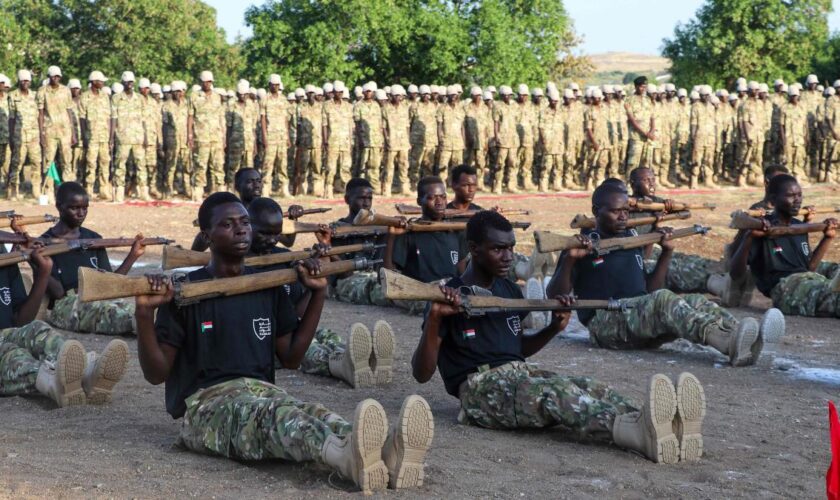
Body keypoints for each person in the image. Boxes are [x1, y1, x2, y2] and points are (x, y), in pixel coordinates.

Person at [135, 192, 433, 493]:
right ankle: (345, 458)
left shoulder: (267, 286)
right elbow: (156, 373)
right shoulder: (185, 294)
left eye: (244, 222)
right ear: (206, 236)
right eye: (227, 224)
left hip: (263, 392)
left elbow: (291, 356)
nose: (241, 230)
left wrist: (318, 293)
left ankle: (386, 454)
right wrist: (145, 313)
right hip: (207, 406)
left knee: (315, 413)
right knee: (279, 419)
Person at [413, 210, 707, 464]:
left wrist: (552, 328)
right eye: (498, 249)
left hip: (517, 374)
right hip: (478, 391)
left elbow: (515, 350)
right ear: (475, 249)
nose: (508, 256)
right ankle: (636, 434)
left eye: (511, 248)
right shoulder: (446, 295)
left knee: (586, 386)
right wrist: (435, 321)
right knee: (555, 394)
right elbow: (422, 373)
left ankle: (658, 423)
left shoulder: (508, 291)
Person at [547, 183, 783, 367]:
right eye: (615, 211)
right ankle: (727, 343)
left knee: (695, 301)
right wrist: (570, 260)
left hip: (637, 316)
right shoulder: (584, 243)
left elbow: (648, 290)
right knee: (664, 300)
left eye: (626, 211)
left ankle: (746, 339)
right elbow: (554, 296)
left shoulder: (632, 238)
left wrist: (666, 253)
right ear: (596, 212)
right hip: (607, 324)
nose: (623, 217)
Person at [247, 197, 395, 387]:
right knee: (311, 349)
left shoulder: (284, 257)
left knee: (328, 336)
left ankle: (368, 362)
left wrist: (316, 280)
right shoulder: (237, 265)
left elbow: (298, 312)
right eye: (264, 234)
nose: (271, 240)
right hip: (266, 338)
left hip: (288, 327)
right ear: (247, 227)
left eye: (276, 234)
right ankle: (342, 366)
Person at [0, 224, 128, 407]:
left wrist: (43, 273)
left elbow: (22, 321)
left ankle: (88, 372)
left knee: (38, 330)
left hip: (6, 333)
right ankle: (52, 382)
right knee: (12, 355)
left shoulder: (4, 255)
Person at [728, 174, 840, 317]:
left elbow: (809, 267)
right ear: (774, 200)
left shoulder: (800, 226)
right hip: (786, 288)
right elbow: (736, 274)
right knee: (832, 299)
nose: (797, 200)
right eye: (791, 196)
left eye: (799, 195)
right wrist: (748, 237)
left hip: (809, 278)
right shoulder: (761, 229)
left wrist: (827, 238)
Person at [42, 182, 146, 335]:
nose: (81, 213)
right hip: (67, 305)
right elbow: (58, 294)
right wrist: (36, 262)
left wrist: (133, 255)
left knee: (130, 308)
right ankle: (142, 327)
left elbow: (111, 284)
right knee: (111, 314)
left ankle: (145, 325)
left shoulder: (94, 239)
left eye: (85, 208)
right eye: (74, 208)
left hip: (99, 298)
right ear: (59, 206)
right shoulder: (45, 243)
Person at [627, 168, 719, 293]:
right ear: (633, 184)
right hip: (638, 257)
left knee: (686, 258)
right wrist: (654, 221)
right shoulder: (625, 209)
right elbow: (643, 254)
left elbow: (686, 213)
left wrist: (670, 206)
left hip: (650, 250)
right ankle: (714, 283)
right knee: (672, 267)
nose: (652, 183)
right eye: (646, 180)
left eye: (653, 179)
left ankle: (721, 271)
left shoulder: (656, 202)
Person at [318, 178, 388, 306]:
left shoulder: (379, 227)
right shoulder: (336, 229)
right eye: (361, 198)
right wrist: (327, 244)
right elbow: (341, 271)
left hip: (374, 279)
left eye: (369, 198)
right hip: (349, 282)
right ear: (347, 200)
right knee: (385, 293)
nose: (366, 203)